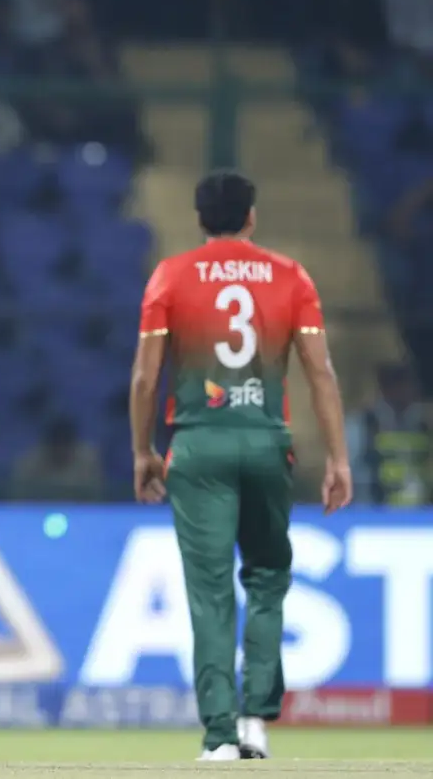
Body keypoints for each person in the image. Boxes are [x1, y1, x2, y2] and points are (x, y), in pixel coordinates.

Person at [128, 170, 352, 762]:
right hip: (263, 443)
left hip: (197, 445)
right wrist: (338, 458)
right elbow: (320, 372)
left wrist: (143, 451)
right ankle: (255, 720)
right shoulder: (290, 275)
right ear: (251, 217)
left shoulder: (171, 276)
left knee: (209, 593)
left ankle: (219, 737)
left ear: (201, 220)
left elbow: (147, 376)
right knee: (268, 578)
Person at [346, 362, 430, 506]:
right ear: (384, 387)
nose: (405, 390)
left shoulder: (424, 423)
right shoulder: (363, 424)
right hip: (375, 513)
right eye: (397, 382)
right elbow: (352, 471)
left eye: (409, 383)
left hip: (421, 515)